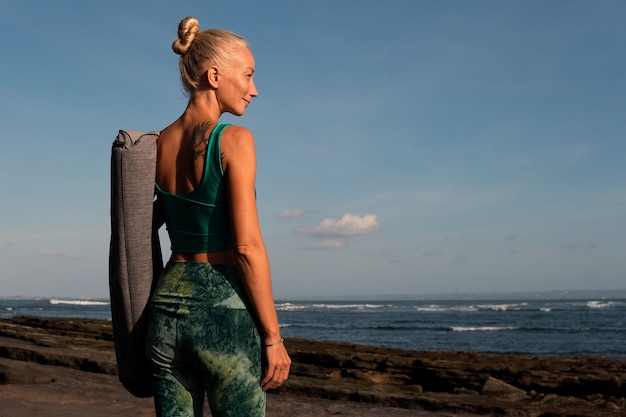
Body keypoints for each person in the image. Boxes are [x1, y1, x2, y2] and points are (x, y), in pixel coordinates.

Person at [145, 16, 291, 417]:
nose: (254, 90)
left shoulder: (155, 144)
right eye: (248, 76)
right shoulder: (235, 140)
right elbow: (246, 247)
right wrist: (273, 338)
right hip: (223, 312)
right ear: (214, 75)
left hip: (167, 309)